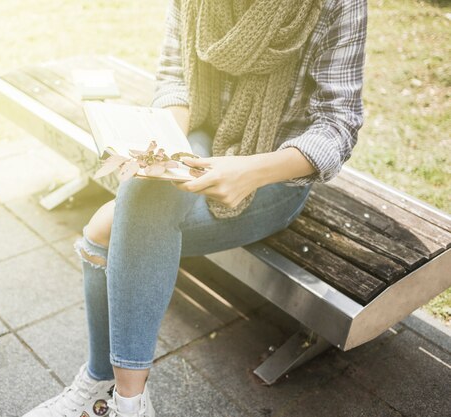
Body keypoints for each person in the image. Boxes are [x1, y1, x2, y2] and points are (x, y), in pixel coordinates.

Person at [22, 0, 367, 416]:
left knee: (104, 228)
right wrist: (166, 147)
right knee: (138, 196)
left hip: (276, 170)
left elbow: (337, 124)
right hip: (200, 134)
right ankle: (125, 400)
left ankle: (110, 389)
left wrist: (250, 171)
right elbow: (175, 77)